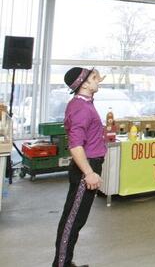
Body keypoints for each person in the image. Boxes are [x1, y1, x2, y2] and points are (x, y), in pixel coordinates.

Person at [53, 67, 106, 267]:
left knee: (77, 218)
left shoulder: (84, 103)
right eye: (94, 78)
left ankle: (64, 261)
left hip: (90, 164)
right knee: (72, 220)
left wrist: (95, 77)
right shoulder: (81, 108)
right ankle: (61, 264)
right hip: (86, 167)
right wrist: (89, 173)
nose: (98, 81)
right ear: (83, 83)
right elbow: (75, 146)